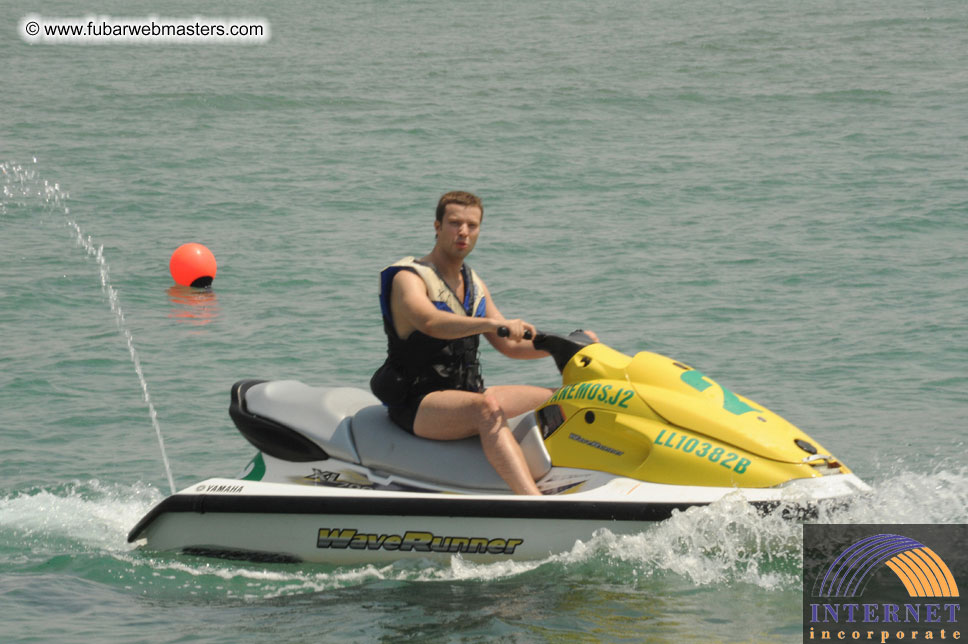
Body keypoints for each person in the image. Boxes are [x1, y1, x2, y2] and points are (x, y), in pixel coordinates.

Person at [370, 191, 554, 495]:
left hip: (465, 395)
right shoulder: (409, 278)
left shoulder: (474, 283)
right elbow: (430, 321)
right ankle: (535, 504)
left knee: (566, 396)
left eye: (472, 225)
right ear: (437, 226)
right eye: (455, 223)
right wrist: (494, 324)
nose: (463, 232)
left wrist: (568, 348)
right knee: (486, 408)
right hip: (418, 403)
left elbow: (510, 345)